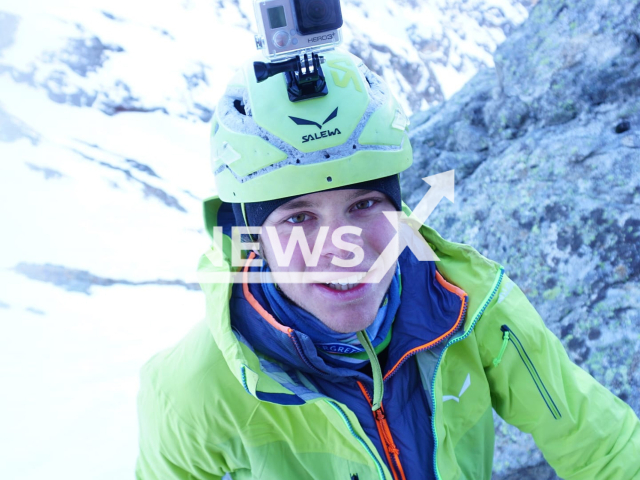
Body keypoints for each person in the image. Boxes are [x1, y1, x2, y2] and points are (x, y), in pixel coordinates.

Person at [135, 50, 640, 480]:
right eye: (298, 218)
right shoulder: (194, 389)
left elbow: (603, 446)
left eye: (364, 205)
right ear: (252, 241)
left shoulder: (472, 308)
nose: (342, 248)